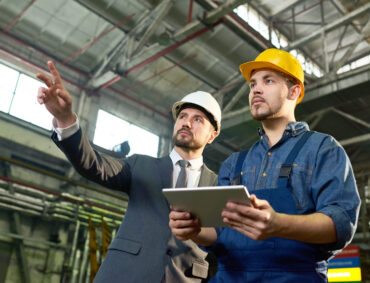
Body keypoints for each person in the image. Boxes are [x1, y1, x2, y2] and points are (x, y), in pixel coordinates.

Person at [169, 48, 361, 282]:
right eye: (252, 84)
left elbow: (341, 223)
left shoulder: (323, 149)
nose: (255, 90)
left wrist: (278, 224)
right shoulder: (234, 164)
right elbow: (219, 234)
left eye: (268, 80)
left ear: (294, 91)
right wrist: (196, 231)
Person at [36, 61, 222, 282]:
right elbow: (94, 165)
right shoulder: (139, 165)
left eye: (197, 119)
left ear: (212, 135)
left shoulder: (219, 185)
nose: (186, 123)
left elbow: (224, 239)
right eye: (183, 116)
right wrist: (66, 119)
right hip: (125, 274)